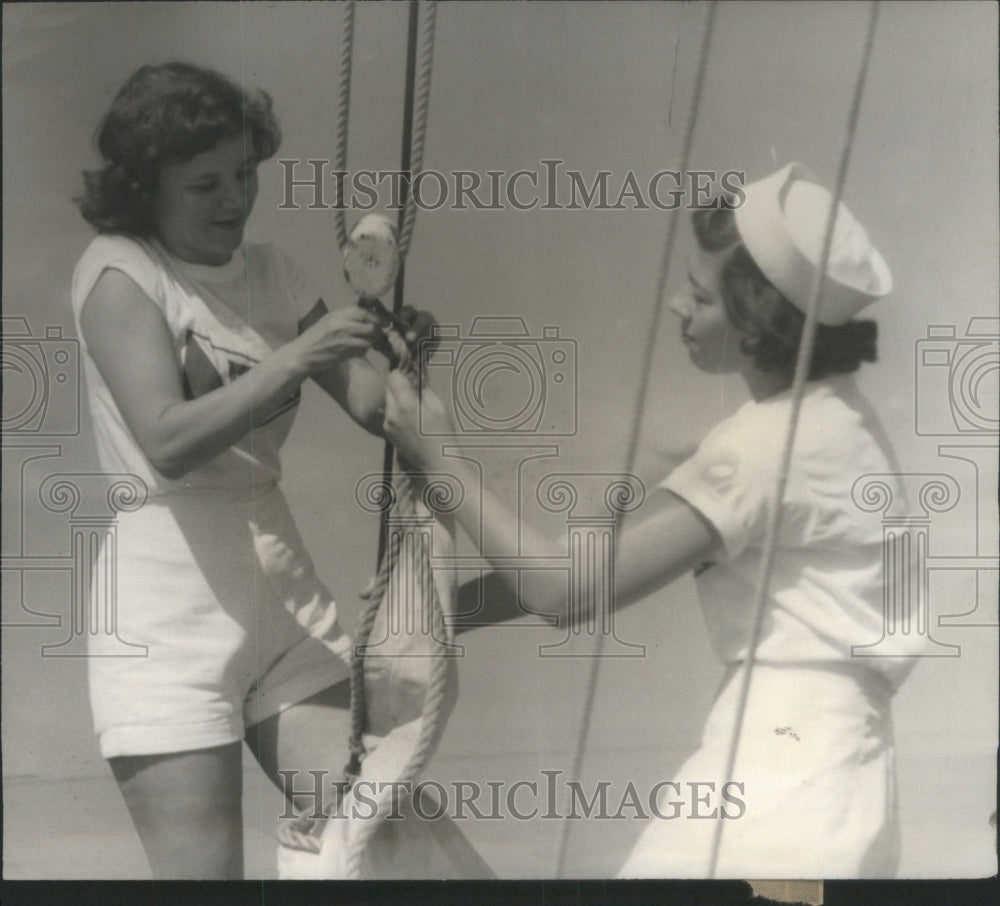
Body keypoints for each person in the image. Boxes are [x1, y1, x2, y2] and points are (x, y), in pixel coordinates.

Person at [382, 163, 926, 877]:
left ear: (757, 317)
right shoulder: (837, 425)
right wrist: (449, 607)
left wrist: (439, 462)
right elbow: (595, 559)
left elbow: (567, 594)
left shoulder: (766, 447)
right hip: (841, 779)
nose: (676, 305)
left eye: (699, 295)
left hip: (780, 780)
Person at [71, 62, 430, 879]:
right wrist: (298, 354)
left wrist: (392, 343)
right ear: (145, 187)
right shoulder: (120, 271)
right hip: (166, 617)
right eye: (205, 184)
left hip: (283, 593)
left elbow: (374, 409)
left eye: (245, 174)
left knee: (388, 843)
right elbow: (166, 439)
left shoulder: (274, 274)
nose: (235, 199)